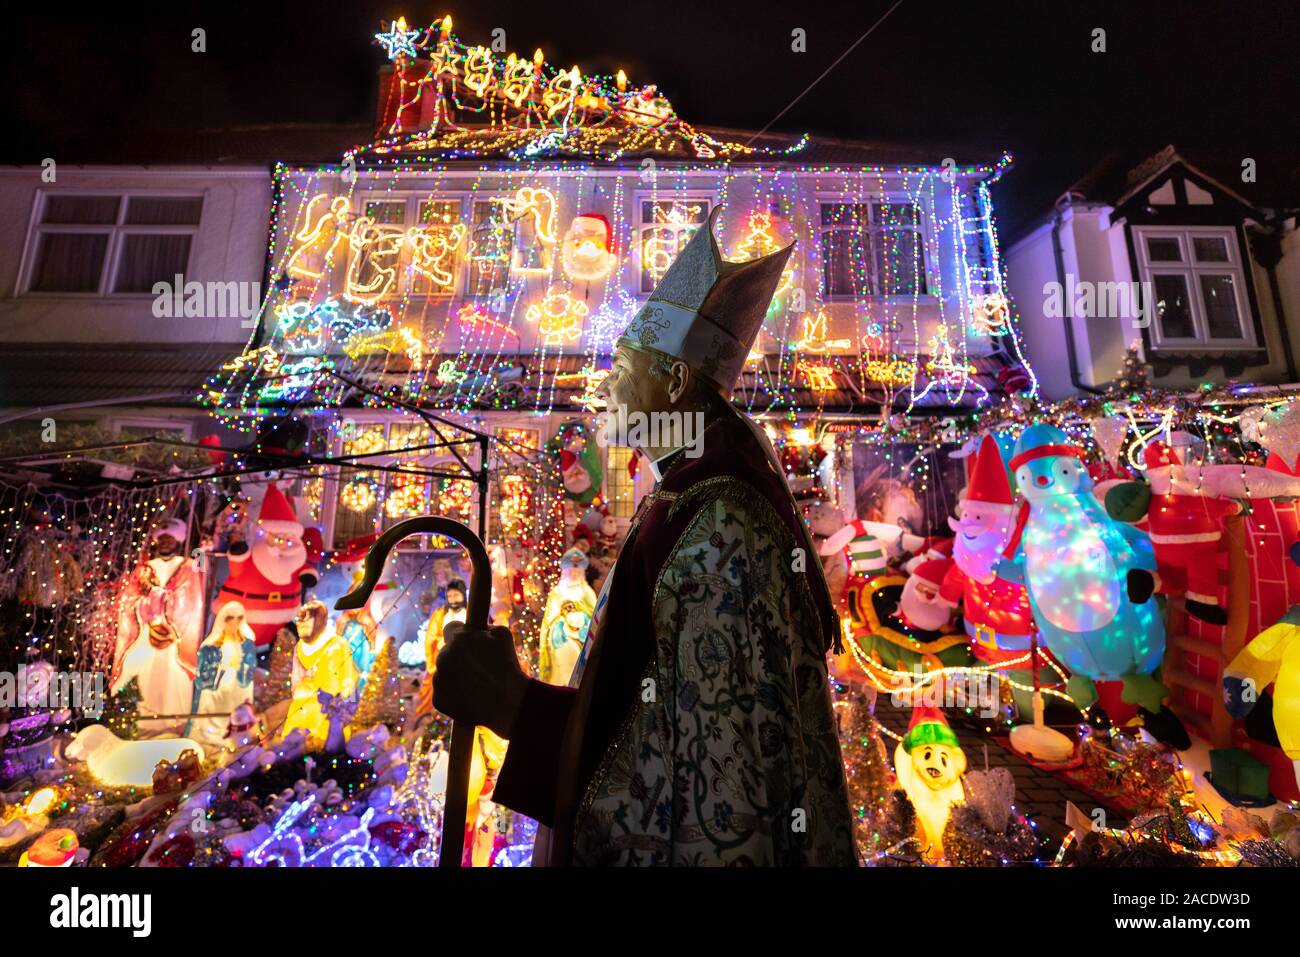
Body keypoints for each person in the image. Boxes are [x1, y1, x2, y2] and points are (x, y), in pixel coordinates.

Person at [435, 206, 856, 865]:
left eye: (624, 366)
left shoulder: (719, 527)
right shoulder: (684, 496)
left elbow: (707, 796)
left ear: (678, 382)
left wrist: (515, 706)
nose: (603, 386)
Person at [186, 601, 257, 751]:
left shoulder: (246, 644)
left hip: (238, 684)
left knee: (237, 705)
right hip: (217, 684)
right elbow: (202, 674)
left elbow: (250, 666)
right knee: (211, 702)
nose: (235, 623)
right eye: (231, 618)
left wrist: (242, 665)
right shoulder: (211, 645)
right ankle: (210, 735)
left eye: (239, 618)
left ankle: (234, 732)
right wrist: (220, 668)